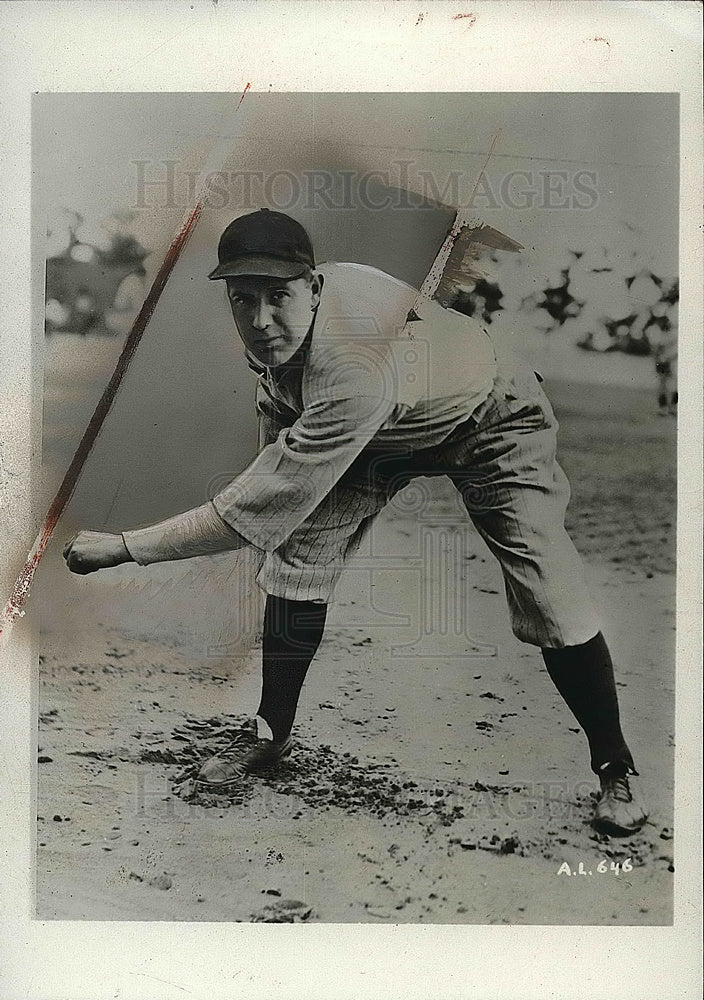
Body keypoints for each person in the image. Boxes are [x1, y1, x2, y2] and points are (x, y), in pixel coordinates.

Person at [63, 209, 648, 836]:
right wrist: (277, 514)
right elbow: (275, 475)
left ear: (314, 287)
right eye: (243, 299)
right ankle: (270, 733)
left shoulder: (354, 367)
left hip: (492, 420)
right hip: (382, 434)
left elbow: (250, 510)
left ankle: (616, 767)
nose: (260, 320)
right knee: (297, 557)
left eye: (278, 296)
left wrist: (123, 547)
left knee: (548, 589)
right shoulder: (298, 333)